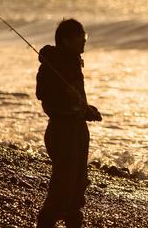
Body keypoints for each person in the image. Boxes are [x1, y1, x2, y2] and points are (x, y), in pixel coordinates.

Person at [36, 19, 102, 228]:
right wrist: (66, 97)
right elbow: (44, 95)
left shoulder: (73, 61)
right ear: (65, 40)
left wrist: (86, 109)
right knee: (63, 185)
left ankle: (74, 222)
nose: (84, 41)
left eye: (85, 37)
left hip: (78, 127)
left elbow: (75, 97)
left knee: (79, 182)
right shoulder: (52, 63)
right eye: (80, 38)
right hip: (62, 129)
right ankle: (46, 222)